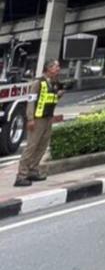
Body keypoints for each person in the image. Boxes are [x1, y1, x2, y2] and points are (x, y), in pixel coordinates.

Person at [14, 59, 63, 187]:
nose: (58, 68)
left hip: (48, 118)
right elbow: (31, 101)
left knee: (42, 145)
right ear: (48, 68)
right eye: (55, 66)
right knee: (31, 146)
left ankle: (33, 170)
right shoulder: (38, 83)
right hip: (37, 119)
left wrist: (59, 95)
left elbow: (50, 99)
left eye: (58, 66)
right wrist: (30, 119)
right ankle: (21, 175)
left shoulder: (54, 83)